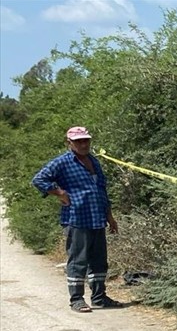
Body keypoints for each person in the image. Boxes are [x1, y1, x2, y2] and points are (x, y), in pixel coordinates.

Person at [32, 126, 123, 312]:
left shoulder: (94, 161)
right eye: (79, 141)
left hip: (97, 218)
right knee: (78, 260)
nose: (83, 144)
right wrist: (59, 193)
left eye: (86, 140)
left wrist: (110, 217)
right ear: (69, 143)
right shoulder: (62, 162)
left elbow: (101, 190)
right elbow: (39, 180)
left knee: (99, 260)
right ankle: (77, 299)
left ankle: (99, 297)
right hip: (77, 218)